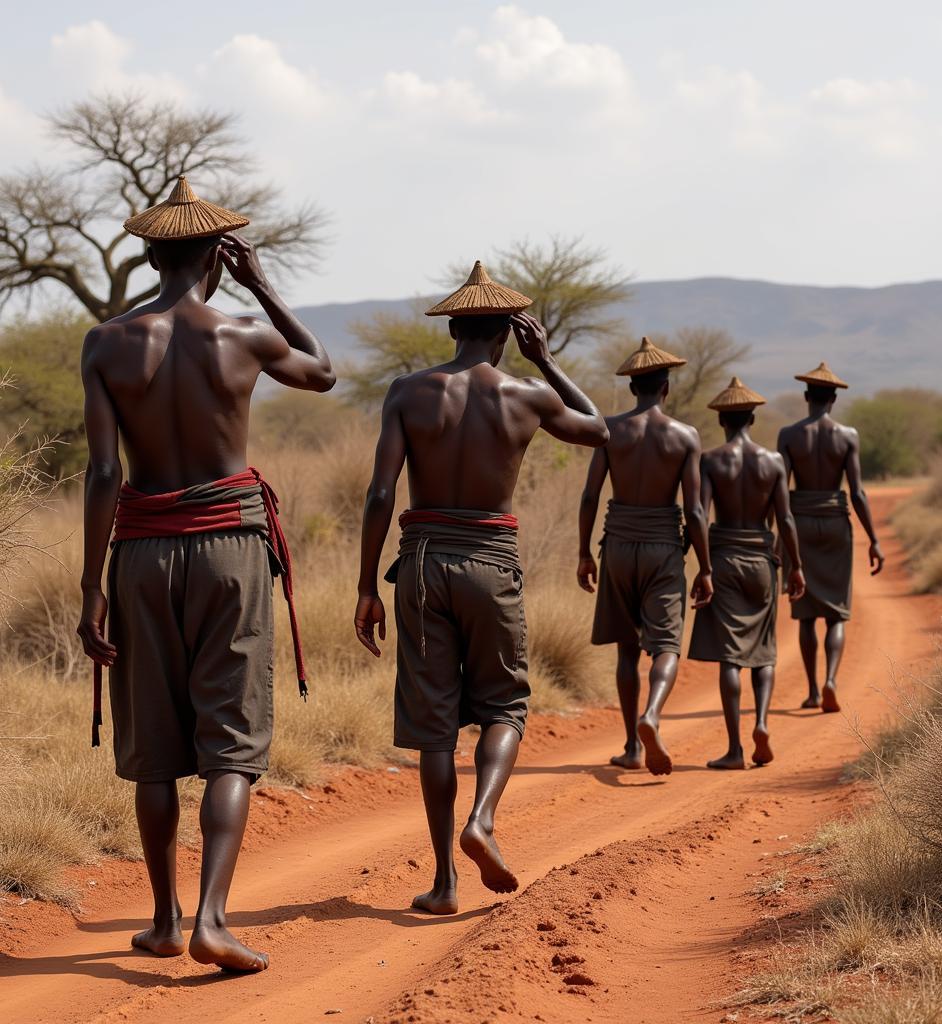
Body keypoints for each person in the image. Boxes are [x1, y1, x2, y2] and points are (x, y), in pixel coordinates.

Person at [78, 177, 336, 972]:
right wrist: (263, 284)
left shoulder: (107, 343)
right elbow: (322, 371)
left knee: (154, 747)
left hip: (141, 554)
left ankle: (163, 919)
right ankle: (214, 920)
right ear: (219, 258)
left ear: (151, 253)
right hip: (231, 550)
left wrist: (90, 588)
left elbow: (101, 473)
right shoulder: (245, 334)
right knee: (230, 743)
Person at [355, 261, 608, 915]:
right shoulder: (527, 396)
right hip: (491, 562)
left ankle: (443, 882)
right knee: (504, 707)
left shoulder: (408, 392)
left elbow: (382, 491)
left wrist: (365, 587)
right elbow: (601, 429)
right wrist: (547, 361)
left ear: (454, 331)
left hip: (420, 562)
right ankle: (484, 819)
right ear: (506, 335)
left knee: (434, 728)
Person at [577, 337, 712, 776]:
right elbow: (693, 510)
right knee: (667, 644)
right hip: (663, 549)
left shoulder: (608, 430)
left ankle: (633, 747)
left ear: (634, 389)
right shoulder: (685, 436)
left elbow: (589, 497)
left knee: (626, 650)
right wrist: (706, 567)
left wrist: (584, 553)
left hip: (616, 546)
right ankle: (652, 714)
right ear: (666, 388)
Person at [688, 378, 805, 770]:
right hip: (762, 562)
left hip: (723, 559)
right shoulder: (773, 462)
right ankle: (762, 722)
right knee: (764, 650)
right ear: (752, 418)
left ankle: (736, 749)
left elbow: (699, 514)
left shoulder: (711, 459)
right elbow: (785, 519)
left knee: (730, 657)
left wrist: (703, 567)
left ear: (722, 420)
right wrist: (796, 566)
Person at [776, 362, 884, 713]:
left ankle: (811, 690)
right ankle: (831, 681)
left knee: (805, 613)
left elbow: (780, 490)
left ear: (807, 397)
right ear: (833, 400)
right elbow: (858, 493)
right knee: (837, 613)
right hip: (837, 523)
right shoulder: (848, 436)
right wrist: (874, 539)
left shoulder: (788, 436)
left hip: (800, 525)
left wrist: (775, 535)